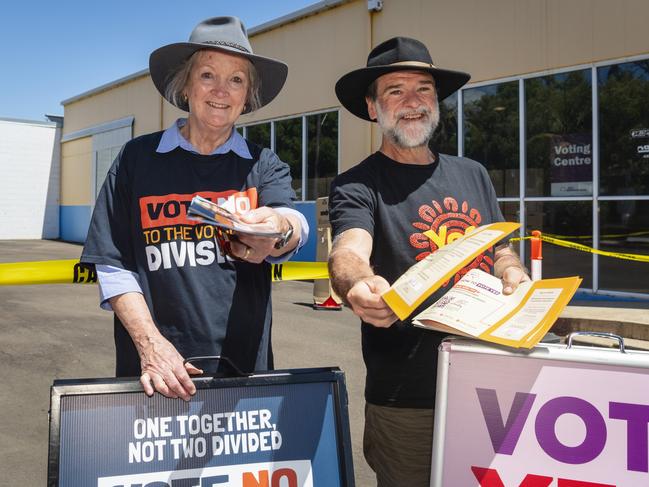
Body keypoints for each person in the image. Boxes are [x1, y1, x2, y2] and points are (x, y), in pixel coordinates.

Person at [328, 37, 529, 486]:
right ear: (373, 107)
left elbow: (497, 246)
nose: (413, 102)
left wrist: (511, 270)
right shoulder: (358, 184)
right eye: (395, 90)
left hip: (489, 384)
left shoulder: (472, 172)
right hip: (408, 397)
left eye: (423, 88)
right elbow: (349, 250)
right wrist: (357, 284)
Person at [81, 16, 308, 402]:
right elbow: (111, 263)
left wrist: (278, 227)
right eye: (207, 75)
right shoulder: (138, 159)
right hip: (157, 372)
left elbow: (294, 223)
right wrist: (151, 346)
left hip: (243, 369)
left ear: (247, 95)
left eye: (236, 79)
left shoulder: (262, 163)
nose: (222, 90)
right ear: (185, 86)